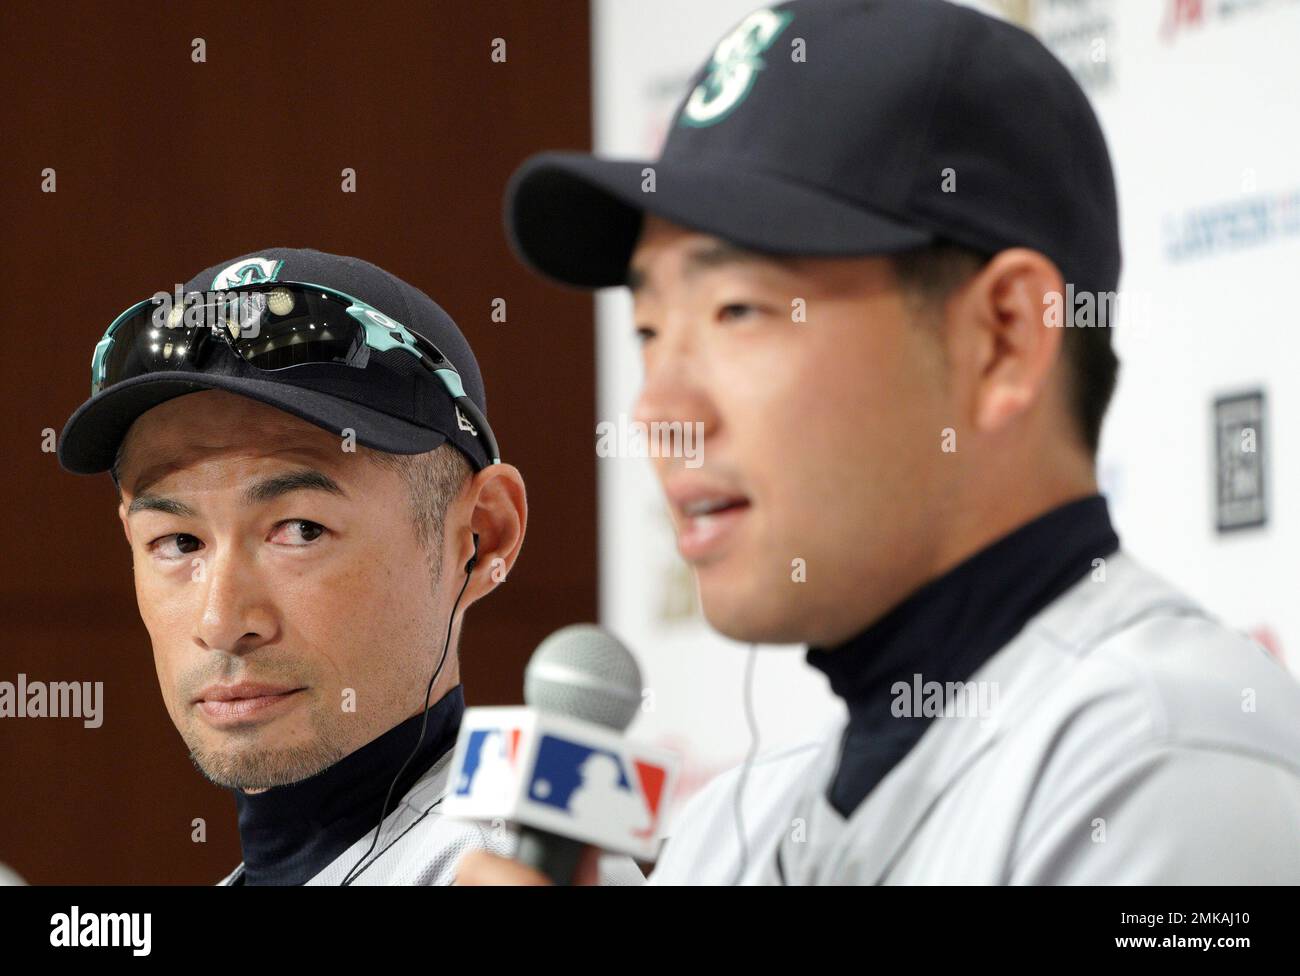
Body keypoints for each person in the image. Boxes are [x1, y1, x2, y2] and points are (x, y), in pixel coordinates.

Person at [459, 0, 1300, 884]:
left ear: (1005, 338)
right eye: (649, 329)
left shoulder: (1176, 765)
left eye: (737, 311)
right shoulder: (729, 830)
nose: (657, 411)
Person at [57, 247, 641, 885]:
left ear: (481, 537)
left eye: (300, 530)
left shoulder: (517, 872)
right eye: (178, 542)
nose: (221, 620)